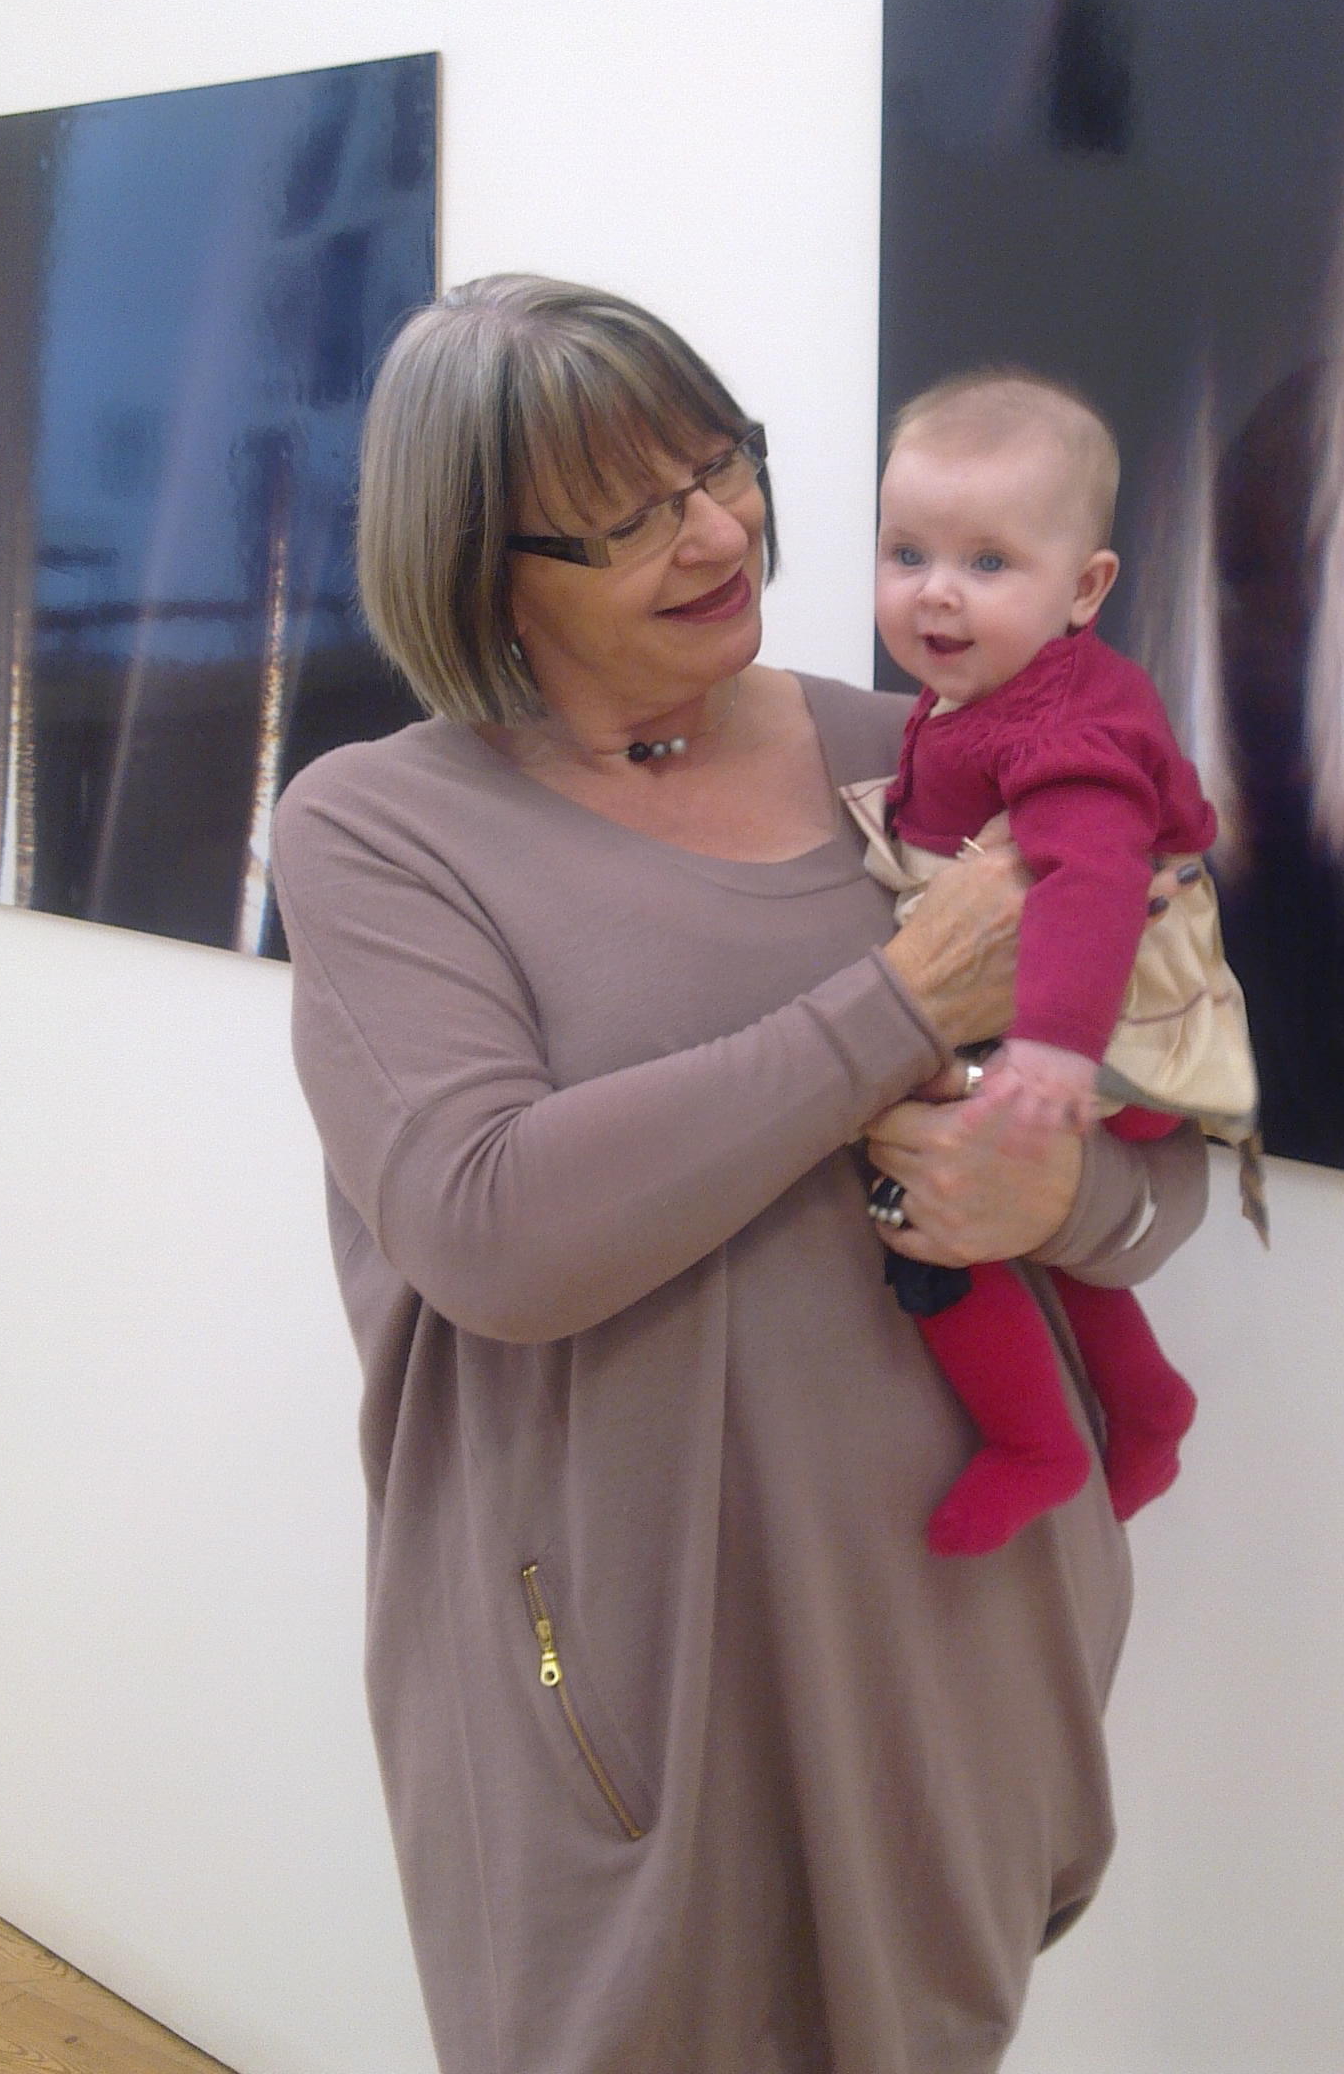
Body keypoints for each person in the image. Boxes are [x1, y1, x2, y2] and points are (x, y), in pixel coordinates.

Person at [269, 276, 1210, 2074]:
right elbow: (491, 1226)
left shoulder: (929, 748)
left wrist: (1057, 1206)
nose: (715, 530)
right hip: (622, 1678)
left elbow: (1162, 1159)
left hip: (953, 1629)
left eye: (721, 464)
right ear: (477, 564)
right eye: (625, 513)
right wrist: (897, 998)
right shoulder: (380, 826)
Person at [848, 369, 1256, 1557]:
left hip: (1103, 1033)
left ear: (1084, 590)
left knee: (926, 1199)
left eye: (988, 565)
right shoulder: (985, 688)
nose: (936, 595)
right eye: (907, 551)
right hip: (1086, 1020)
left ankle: (1034, 1440)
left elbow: (1091, 882)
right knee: (1027, 1221)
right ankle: (1147, 1404)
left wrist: (1047, 1050)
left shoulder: (1060, 727)